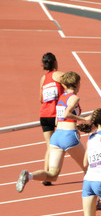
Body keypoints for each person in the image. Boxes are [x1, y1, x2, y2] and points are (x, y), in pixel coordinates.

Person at [17, 71, 89, 192]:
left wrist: (76, 125)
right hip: (68, 136)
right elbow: (67, 114)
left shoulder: (61, 98)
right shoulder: (75, 98)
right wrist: (83, 119)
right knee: (89, 168)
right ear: (77, 84)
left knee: (53, 175)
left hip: (56, 137)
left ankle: (29, 176)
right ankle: (95, 199)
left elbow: (57, 120)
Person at [39, 52, 65, 186]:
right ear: (55, 62)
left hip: (44, 115)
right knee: (66, 144)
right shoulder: (60, 75)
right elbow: (70, 90)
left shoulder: (43, 79)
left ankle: (45, 175)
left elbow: (40, 99)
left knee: (49, 146)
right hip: (57, 114)